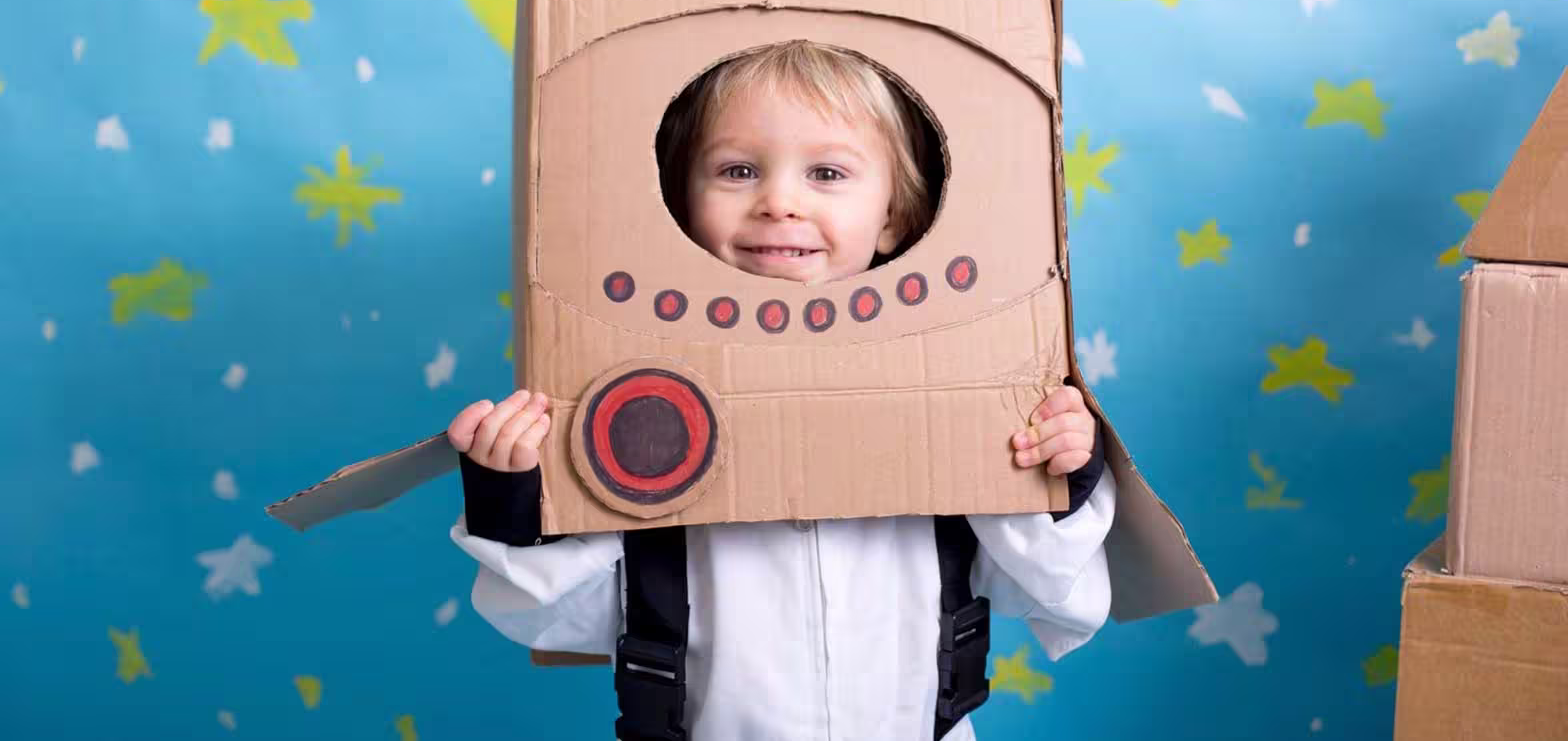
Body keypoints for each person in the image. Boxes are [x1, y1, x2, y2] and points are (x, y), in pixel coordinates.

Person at [447, 41, 1114, 740]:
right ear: (677, 209)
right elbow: (549, 617)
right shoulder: (638, 405)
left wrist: (1058, 468)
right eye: (738, 170)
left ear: (893, 216)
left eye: (827, 172)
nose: (779, 203)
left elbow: (1056, 591)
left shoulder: (962, 379)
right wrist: (513, 495)